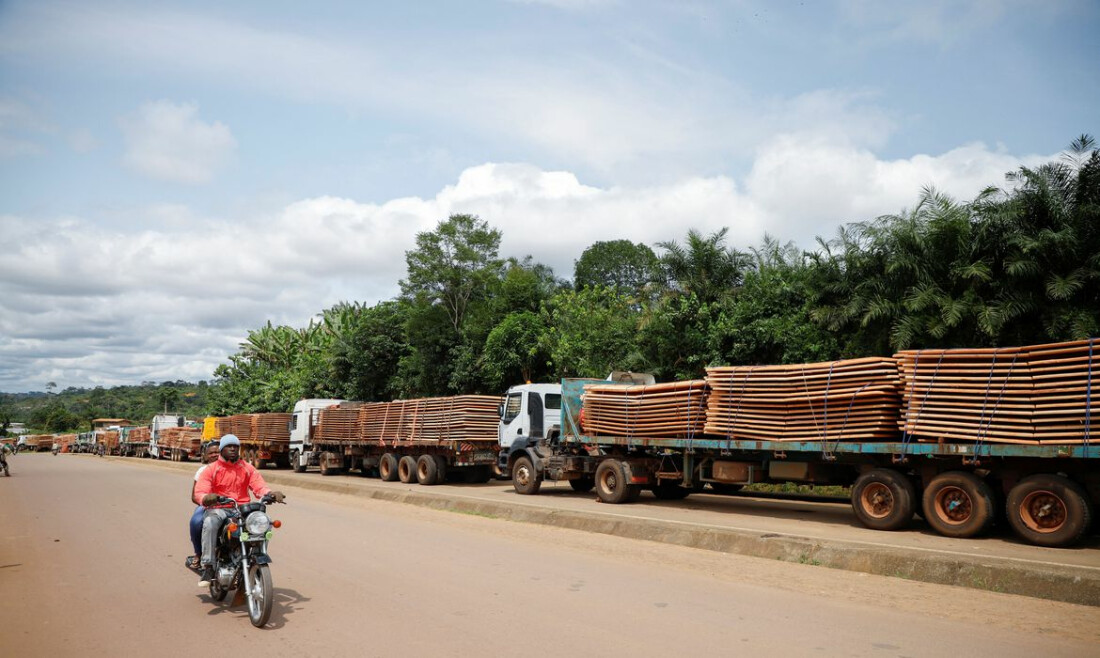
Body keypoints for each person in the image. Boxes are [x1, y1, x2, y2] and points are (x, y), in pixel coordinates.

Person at [192, 434, 285, 587]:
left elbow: (259, 485)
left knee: (264, 522)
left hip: (241, 509)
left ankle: (255, 554)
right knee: (209, 522)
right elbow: (200, 492)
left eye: (236, 446)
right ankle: (208, 566)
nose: (233, 449)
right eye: (229, 446)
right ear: (222, 449)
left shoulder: (247, 468)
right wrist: (207, 498)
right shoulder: (211, 469)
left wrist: (270, 494)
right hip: (219, 508)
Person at [185, 441, 222, 570]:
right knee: (196, 522)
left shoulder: (231, 468)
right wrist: (206, 501)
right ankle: (198, 554)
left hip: (229, 506)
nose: (214, 455)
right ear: (205, 456)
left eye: (217, 452)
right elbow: (194, 496)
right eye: (211, 453)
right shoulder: (202, 471)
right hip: (207, 506)